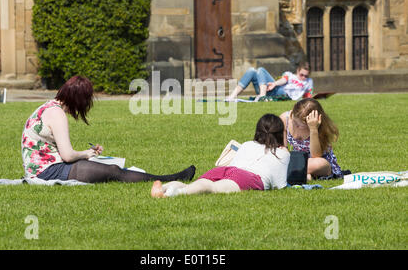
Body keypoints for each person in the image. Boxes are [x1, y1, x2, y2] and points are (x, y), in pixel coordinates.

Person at [21, 75, 195, 183]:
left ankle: (166, 178)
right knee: (114, 171)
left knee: (108, 168)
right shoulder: (57, 115)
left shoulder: (48, 107)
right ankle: (170, 178)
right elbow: (67, 155)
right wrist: (86, 154)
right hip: (48, 172)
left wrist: (87, 153)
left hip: (42, 169)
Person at [151, 114, 290, 198]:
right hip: (248, 177)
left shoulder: (248, 144)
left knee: (195, 184)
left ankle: (163, 188)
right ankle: (172, 194)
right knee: (212, 188)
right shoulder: (283, 154)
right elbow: (280, 185)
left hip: (225, 169)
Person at [280, 98, 342, 180]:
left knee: (320, 163)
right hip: (295, 160)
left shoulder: (318, 127)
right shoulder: (285, 119)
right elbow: (282, 147)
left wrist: (313, 129)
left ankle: (289, 173)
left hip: (316, 162)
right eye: (295, 122)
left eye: (301, 126)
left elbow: (316, 155)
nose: (297, 126)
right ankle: (303, 175)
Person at [226, 62, 313, 101]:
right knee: (252, 70)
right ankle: (232, 96)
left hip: (285, 95)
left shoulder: (309, 81)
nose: (303, 77)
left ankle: (262, 96)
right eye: (302, 75)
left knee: (260, 69)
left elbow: (309, 95)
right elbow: (284, 79)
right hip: (276, 89)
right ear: (298, 70)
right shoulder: (290, 75)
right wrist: (274, 83)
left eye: (306, 76)